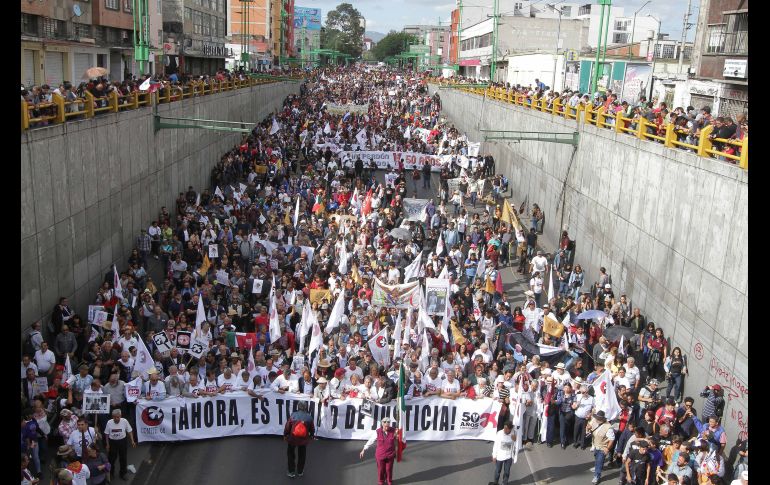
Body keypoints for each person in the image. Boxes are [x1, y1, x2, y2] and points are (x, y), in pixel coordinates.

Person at [360, 417, 398, 485]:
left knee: (389, 469)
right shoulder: (377, 432)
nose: (387, 427)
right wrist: (364, 449)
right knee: (381, 469)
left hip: (390, 454)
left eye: (388, 425)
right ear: (382, 424)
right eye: (385, 426)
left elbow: (397, 441)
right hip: (380, 455)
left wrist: (397, 435)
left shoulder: (394, 430)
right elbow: (371, 440)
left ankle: (389, 480)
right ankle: (381, 481)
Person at [283, 401, 315, 478]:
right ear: (306, 407)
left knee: (290, 454)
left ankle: (291, 472)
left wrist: (285, 435)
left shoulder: (293, 415)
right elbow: (312, 429)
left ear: (298, 407)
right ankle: (300, 471)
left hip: (292, 438)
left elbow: (287, 427)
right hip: (303, 439)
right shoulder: (309, 417)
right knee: (302, 455)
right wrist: (311, 436)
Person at [104, 409, 136, 481]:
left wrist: (132, 441)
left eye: (118, 417)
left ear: (120, 416)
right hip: (113, 442)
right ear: (112, 417)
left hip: (122, 442)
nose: (116, 419)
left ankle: (123, 473)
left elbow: (129, 431)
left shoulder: (124, 421)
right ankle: (111, 473)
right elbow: (106, 434)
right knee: (111, 459)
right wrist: (107, 444)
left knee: (123, 458)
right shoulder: (109, 422)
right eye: (114, 417)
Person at [586, 410, 615, 484]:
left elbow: (611, 439)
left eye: (598, 419)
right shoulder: (594, 420)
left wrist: (607, 449)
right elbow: (589, 427)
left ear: (602, 419)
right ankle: (598, 467)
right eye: (596, 418)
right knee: (597, 458)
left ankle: (597, 476)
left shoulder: (608, 427)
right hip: (596, 445)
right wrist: (588, 427)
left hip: (603, 447)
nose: (596, 420)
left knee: (599, 461)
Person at [490, 421, 515, 485]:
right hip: (500, 456)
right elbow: (495, 445)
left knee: (507, 472)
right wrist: (494, 455)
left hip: (509, 457)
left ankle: (505, 483)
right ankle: (496, 483)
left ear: (510, 429)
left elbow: (517, 444)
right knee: (498, 471)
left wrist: (515, 440)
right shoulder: (499, 433)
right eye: (504, 428)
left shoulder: (513, 433)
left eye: (506, 428)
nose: (504, 430)